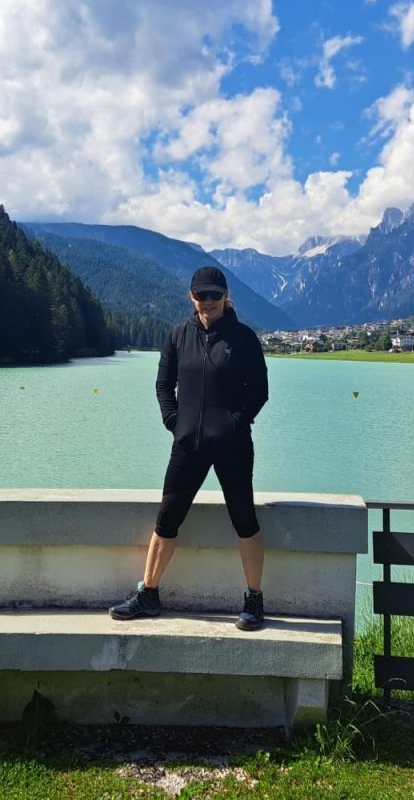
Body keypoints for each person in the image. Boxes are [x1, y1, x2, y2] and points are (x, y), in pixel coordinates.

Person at [110, 265, 269, 630]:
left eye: (215, 295)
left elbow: (258, 391)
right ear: (191, 297)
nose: (208, 302)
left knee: (245, 521)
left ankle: (254, 600)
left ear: (226, 297)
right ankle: (148, 594)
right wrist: (174, 422)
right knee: (167, 520)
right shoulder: (178, 335)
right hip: (187, 446)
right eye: (201, 295)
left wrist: (234, 424)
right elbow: (163, 385)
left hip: (233, 446)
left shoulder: (244, 338)